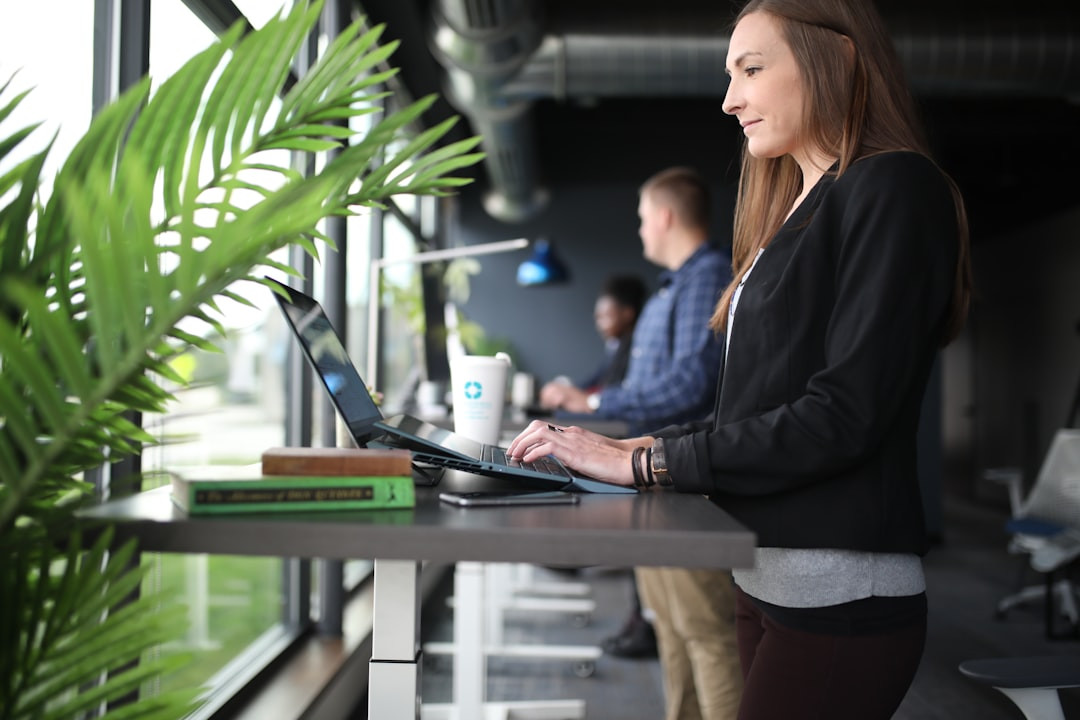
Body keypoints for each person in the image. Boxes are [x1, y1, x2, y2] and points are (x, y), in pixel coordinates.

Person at [508, 0, 973, 717]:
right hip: (766, 576)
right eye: (731, 74)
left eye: (752, 69)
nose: (730, 100)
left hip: (838, 590)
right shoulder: (793, 207)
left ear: (839, 60)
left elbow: (843, 415)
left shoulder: (892, 186)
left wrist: (646, 463)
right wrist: (634, 444)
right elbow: (749, 405)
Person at [541, 167, 743, 718]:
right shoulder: (675, 285)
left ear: (665, 217)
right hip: (652, 478)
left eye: (641, 218)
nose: (639, 230)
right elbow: (650, 385)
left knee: (705, 630)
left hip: (684, 479)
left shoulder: (707, 277)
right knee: (673, 629)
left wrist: (598, 405)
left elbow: (689, 386)